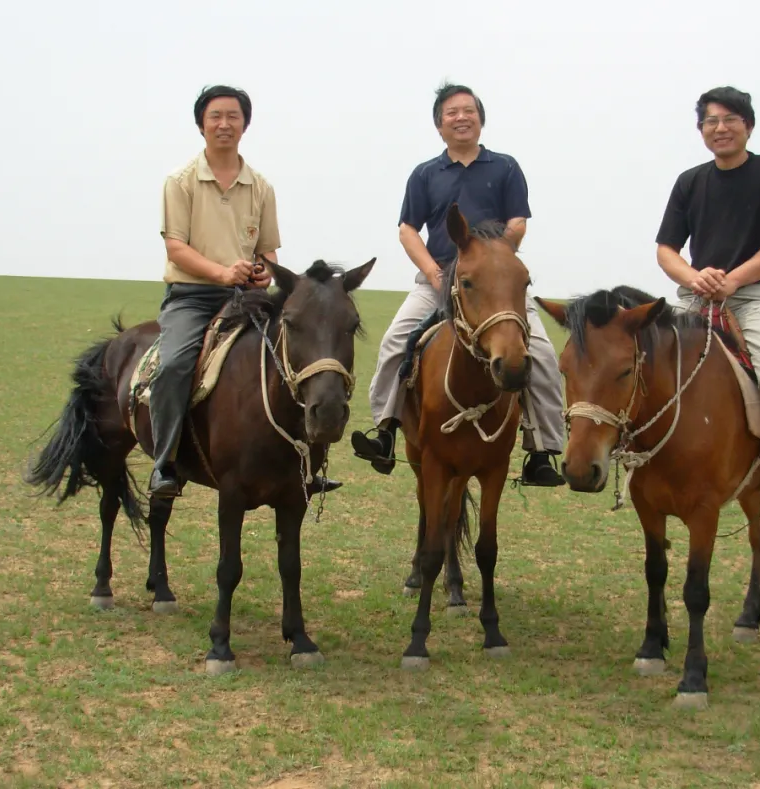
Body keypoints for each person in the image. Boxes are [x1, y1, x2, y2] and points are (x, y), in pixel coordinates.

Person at [350, 82, 565, 486]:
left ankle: (541, 450)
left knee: (540, 351)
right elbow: (408, 230)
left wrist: (494, 256)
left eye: (469, 111)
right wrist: (433, 272)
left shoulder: (505, 167)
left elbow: (518, 221)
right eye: (452, 112)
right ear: (439, 125)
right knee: (396, 342)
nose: (461, 117)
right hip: (438, 275)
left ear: (481, 120)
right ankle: (385, 431)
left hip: (496, 282)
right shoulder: (425, 173)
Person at [151, 84, 340, 498]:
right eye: (215, 116)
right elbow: (175, 247)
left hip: (245, 298)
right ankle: (164, 463)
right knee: (173, 366)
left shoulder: (260, 186)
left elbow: (267, 250)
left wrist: (261, 272)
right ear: (201, 125)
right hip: (193, 297)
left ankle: (309, 464)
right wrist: (221, 273)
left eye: (232, 116)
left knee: (299, 360)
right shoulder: (180, 182)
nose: (224, 124)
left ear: (245, 125)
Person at [654, 85, 760, 521]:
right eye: (710, 121)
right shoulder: (690, 181)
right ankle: (640, 458)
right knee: (647, 365)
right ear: (701, 129)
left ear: (748, 126)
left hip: (755, 299)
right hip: (695, 298)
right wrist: (694, 276)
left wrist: (734, 280)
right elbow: (666, 249)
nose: (719, 128)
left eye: (729, 120)